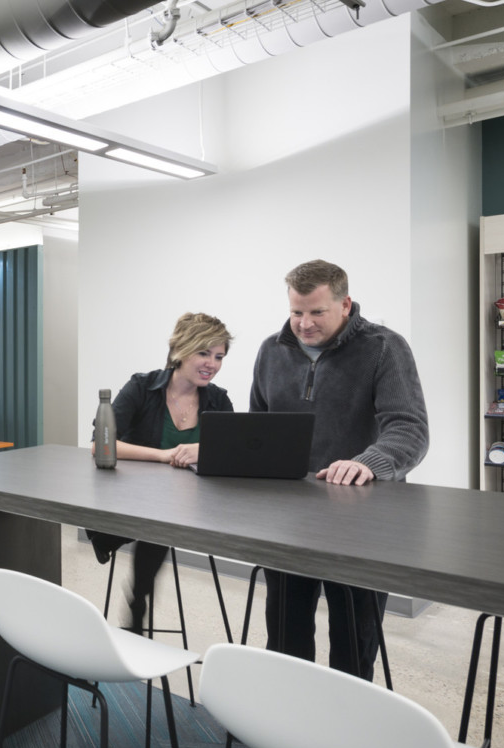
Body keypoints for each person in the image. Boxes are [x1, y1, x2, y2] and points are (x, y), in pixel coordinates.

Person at [252, 259, 428, 680]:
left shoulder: (384, 347)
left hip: (363, 526)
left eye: (316, 312)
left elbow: (410, 429)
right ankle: (287, 733)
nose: (304, 323)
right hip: (290, 521)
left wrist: (366, 462)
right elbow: (258, 427)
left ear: (345, 304)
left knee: (353, 648)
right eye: (296, 311)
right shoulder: (270, 351)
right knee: (285, 642)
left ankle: (346, 739)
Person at [86, 313, 233, 633]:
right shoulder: (142, 387)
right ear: (181, 349)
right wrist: (164, 455)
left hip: (194, 504)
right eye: (204, 353)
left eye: (219, 356)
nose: (213, 363)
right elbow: (102, 446)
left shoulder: (219, 400)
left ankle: (135, 597)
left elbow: (234, 453)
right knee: (161, 519)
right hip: (135, 495)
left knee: (165, 519)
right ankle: (137, 601)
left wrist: (204, 449)